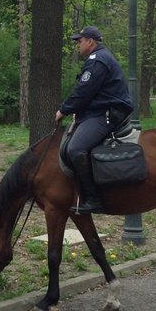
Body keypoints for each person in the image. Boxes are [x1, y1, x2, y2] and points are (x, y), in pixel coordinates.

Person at [55, 26, 132, 214]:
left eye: (79, 41)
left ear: (90, 42)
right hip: (100, 111)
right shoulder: (99, 58)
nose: (78, 45)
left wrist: (63, 111)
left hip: (107, 114)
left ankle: (93, 198)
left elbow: (83, 91)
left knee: (75, 148)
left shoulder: (97, 60)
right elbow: (94, 92)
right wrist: (81, 111)